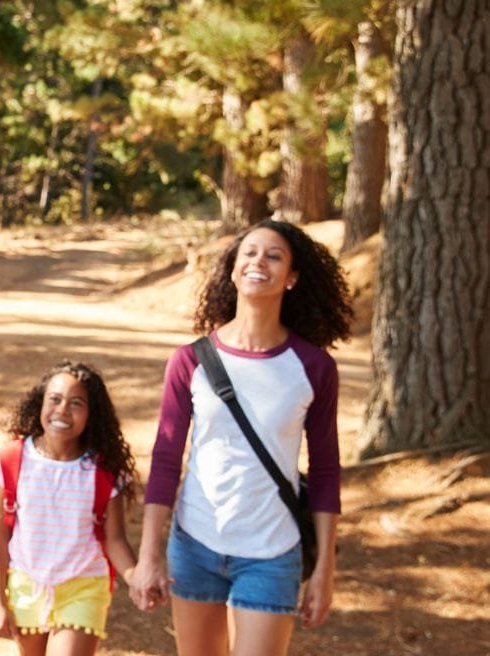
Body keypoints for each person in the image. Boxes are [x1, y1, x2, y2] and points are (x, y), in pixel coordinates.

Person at [128, 220, 352, 656]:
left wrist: (325, 568)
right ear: (232, 269)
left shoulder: (313, 367)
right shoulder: (189, 361)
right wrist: (149, 554)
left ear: (291, 278)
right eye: (249, 253)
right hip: (195, 544)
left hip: (272, 551)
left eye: (274, 256)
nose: (259, 262)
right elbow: (166, 460)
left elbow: (326, 471)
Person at [0, 361, 139, 656]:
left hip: (84, 586)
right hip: (26, 587)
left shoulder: (104, 471)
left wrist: (136, 578)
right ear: (40, 403)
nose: (63, 410)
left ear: (91, 414)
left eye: (76, 403)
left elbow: (115, 539)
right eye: (54, 399)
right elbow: (0, 537)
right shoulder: (11, 461)